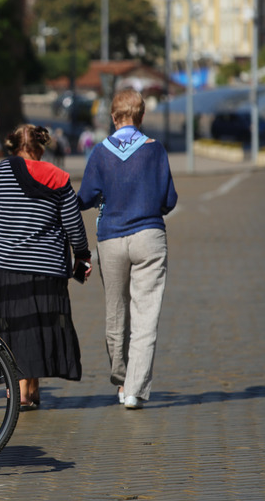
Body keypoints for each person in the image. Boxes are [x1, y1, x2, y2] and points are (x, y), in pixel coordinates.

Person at [0, 124, 92, 411]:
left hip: (5, 265)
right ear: (41, 147)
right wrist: (82, 255)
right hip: (48, 266)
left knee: (12, 327)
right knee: (38, 325)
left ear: (12, 146)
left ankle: (18, 389)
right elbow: (73, 223)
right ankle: (30, 388)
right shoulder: (58, 177)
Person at [77, 89, 178, 410]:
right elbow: (169, 200)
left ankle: (121, 381)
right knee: (146, 314)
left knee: (115, 312)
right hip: (149, 235)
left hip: (111, 238)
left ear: (113, 116)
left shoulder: (100, 153)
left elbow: (85, 197)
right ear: (142, 116)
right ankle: (135, 389)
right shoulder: (155, 150)